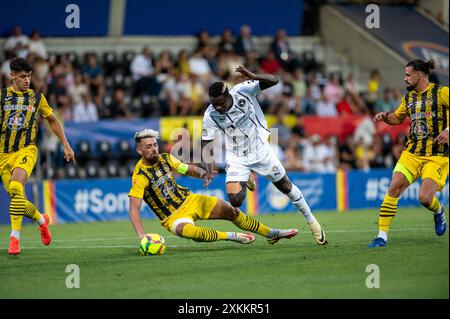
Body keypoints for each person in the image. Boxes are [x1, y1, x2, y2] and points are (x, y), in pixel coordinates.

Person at [201, 66, 327, 245]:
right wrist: (208, 169)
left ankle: (311, 220)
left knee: (285, 186)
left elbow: (274, 80)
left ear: (228, 95)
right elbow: (206, 142)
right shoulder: (210, 115)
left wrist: (254, 76)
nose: (218, 107)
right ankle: (247, 177)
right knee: (235, 201)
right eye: (214, 104)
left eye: (221, 103)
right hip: (237, 156)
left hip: (261, 149)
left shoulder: (243, 91)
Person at [128, 129, 298, 246]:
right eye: (148, 147)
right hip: (172, 217)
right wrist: (142, 235)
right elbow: (134, 208)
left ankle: (271, 234)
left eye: (155, 145)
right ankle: (231, 236)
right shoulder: (140, 176)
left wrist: (203, 174)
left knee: (233, 212)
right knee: (187, 231)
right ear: (139, 150)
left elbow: (186, 169)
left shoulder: (166, 158)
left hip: (190, 200)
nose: (153, 149)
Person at [368, 59, 448, 248]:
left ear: (419, 75)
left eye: (408, 75)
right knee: (394, 187)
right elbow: (398, 117)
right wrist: (386, 116)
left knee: (425, 198)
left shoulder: (442, 92)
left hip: (437, 155)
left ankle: (438, 211)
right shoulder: (409, 98)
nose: (405, 79)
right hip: (411, 153)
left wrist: (447, 130)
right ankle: (381, 237)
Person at [0, 58, 76, 255]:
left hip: (27, 150)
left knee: (17, 187)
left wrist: (66, 144)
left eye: (29, 76)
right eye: (23, 76)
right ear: (12, 76)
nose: (27, 80)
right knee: (17, 199)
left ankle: (14, 238)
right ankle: (42, 220)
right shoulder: (2, 97)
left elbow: (52, 119)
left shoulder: (36, 98)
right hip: (3, 155)